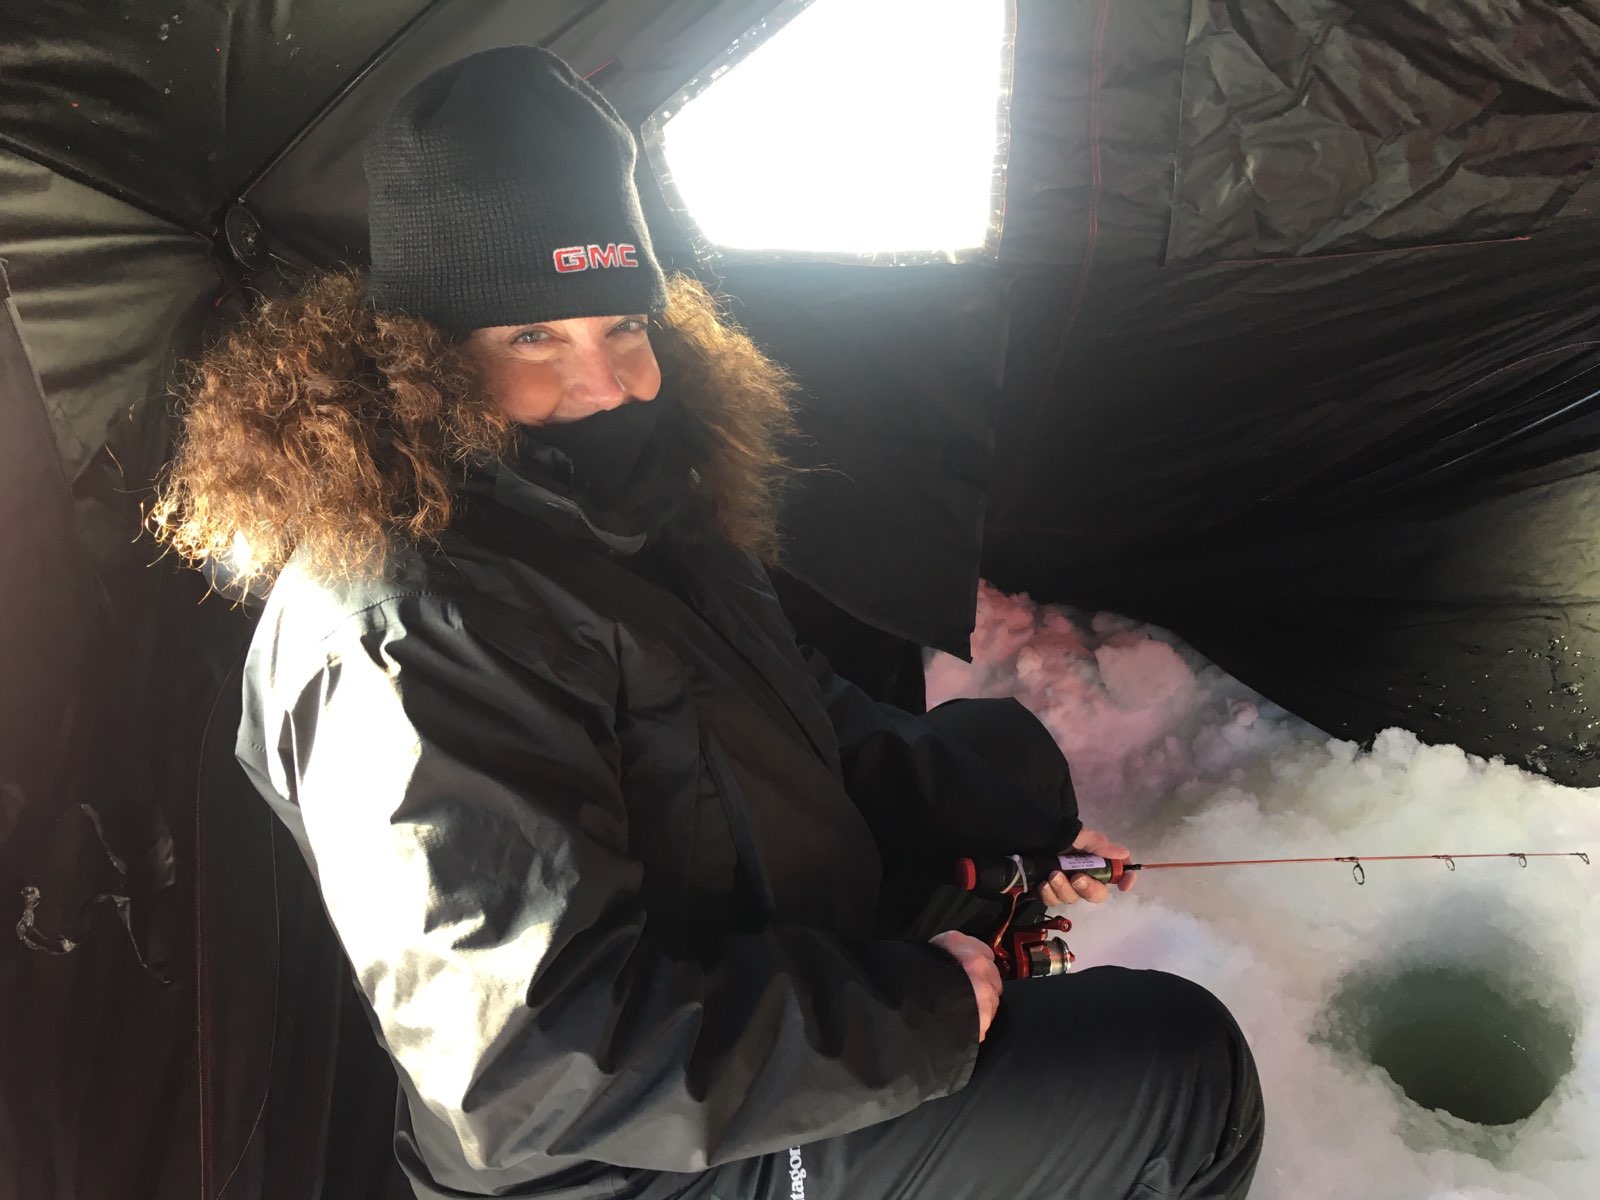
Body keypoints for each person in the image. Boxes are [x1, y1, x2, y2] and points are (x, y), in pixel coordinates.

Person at [151, 45, 1263, 1200]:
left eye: (624, 324)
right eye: (535, 336)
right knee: (1181, 1077)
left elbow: (777, 729)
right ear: (419, 356)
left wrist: (1011, 823)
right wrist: (914, 1013)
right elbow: (531, 1064)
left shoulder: (619, 504)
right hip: (612, 1159)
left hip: (733, 977)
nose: (610, 382)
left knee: (988, 773)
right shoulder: (402, 628)